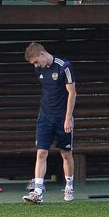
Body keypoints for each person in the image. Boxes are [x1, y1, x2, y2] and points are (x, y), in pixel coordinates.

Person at [22, 42, 77, 203]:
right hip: (45, 117)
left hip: (62, 117)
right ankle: (38, 192)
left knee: (66, 153)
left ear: (42, 54)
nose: (35, 65)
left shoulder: (64, 66)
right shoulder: (39, 68)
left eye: (36, 61)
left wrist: (68, 118)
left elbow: (72, 93)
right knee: (41, 152)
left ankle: (69, 186)